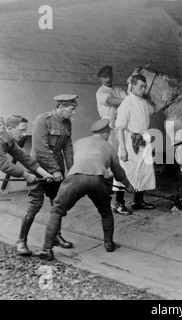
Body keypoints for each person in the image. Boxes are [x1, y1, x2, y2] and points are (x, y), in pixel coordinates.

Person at [36, 119, 132, 261]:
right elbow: (119, 173)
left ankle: (46, 249)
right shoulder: (109, 147)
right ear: (106, 133)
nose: (109, 135)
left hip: (76, 178)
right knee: (105, 211)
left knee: (57, 210)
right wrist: (129, 187)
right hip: (97, 180)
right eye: (109, 133)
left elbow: (72, 161)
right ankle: (109, 244)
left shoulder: (79, 142)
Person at [15, 94, 78, 256]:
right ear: (61, 106)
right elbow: (41, 149)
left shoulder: (67, 123)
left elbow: (68, 147)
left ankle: (55, 236)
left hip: (57, 171)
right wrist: (55, 170)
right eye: (71, 109)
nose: (74, 112)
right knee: (34, 205)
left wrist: (71, 170)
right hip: (39, 169)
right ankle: (21, 241)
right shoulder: (42, 120)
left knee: (57, 204)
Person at [116, 74, 176, 210]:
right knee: (125, 172)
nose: (144, 90)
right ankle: (119, 204)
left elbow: (153, 110)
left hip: (143, 140)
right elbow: (120, 128)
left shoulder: (143, 102)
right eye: (141, 87)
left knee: (144, 171)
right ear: (132, 86)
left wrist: (166, 104)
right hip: (130, 142)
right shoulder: (126, 103)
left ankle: (138, 201)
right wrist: (123, 149)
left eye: (145, 87)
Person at [96, 65, 130, 215]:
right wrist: (128, 100)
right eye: (105, 76)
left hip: (120, 126)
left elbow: (128, 97)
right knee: (111, 164)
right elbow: (113, 101)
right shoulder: (101, 92)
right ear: (101, 78)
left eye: (110, 76)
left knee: (120, 163)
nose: (108, 79)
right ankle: (113, 202)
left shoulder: (117, 89)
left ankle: (118, 202)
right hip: (107, 128)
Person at [0, 115, 53, 188]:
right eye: (21, 130)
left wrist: (45, 174)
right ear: (10, 128)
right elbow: (4, 165)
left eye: (25, 131)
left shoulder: (7, 137)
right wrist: (26, 175)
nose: (24, 134)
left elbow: (23, 156)